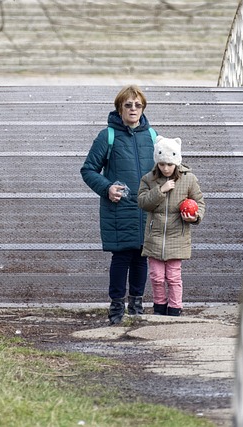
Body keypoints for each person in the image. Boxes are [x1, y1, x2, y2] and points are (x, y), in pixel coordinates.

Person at [80, 85, 157, 325]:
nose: (133, 109)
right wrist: (107, 187)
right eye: (128, 105)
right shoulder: (108, 136)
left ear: (143, 108)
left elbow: (165, 168)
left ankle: (136, 304)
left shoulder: (153, 136)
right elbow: (88, 169)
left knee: (141, 256)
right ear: (119, 108)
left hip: (145, 207)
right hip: (119, 207)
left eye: (138, 105)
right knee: (122, 256)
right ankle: (116, 307)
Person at [138, 135, 205, 316]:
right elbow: (143, 202)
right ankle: (159, 306)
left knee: (174, 277)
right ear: (157, 162)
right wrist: (161, 190)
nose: (166, 168)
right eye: (162, 164)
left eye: (169, 164)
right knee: (157, 277)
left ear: (177, 161)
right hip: (155, 238)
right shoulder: (149, 179)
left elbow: (200, 202)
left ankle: (175, 308)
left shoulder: (188, 179)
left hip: (178, 237)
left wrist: (194, 217)